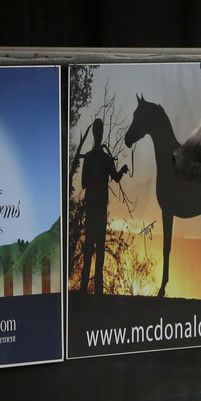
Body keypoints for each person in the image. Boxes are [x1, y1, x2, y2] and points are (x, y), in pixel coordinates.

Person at [79, 118, 127, 294]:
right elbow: (115, 177)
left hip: (93, 206)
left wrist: (118, 171)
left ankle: (86, 288)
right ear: (100, 133)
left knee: (91, 247)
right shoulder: (103, 159)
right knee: (98, 247)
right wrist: (120, 171)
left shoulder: (91, 158)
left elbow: (84, 182)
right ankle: (95, 289)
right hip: (97, 207)